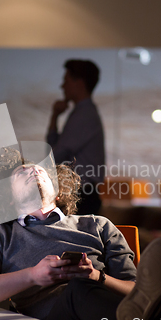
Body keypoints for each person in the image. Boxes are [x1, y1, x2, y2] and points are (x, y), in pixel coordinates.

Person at [0, 147, 161, 320]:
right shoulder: (0, 235)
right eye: (22, 173)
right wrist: (32, 275)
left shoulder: (98, 224)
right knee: (77, 288)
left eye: (40, 171)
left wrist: (98, 276)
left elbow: (135, 290)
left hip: (102, 310)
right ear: (8, 198)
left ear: (58, 189)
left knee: (86, 286)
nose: (33, 171)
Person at [47, 59, 105, 215]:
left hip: (81, 195)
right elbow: (55, 149)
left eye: (66, 80)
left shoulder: (84, 115)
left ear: (79, 82)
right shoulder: (83, 114)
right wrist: (55, 117)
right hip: (81, 193)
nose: (62, 86)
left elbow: (57, 154)